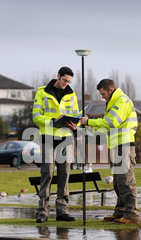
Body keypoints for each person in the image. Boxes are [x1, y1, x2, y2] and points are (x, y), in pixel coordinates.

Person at [80, 79, 140, 224]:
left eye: (103, 94)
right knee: (118, 182)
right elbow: (108, 127)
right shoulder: (113, 102)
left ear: (110, 90)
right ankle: (120, 212)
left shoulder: (121, 101)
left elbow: (111, 122)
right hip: (117, 145)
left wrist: (89, 122)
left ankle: (132, 214)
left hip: (125, 145)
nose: (102, 97)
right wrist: (91, 128)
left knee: (126, 181)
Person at [32, 67, 80, 223]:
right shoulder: (42, 93)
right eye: (64, 80)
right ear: (58, 76)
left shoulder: (72, 95)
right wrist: (52, 121)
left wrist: (75, 125)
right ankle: (43, 211)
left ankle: (62, 211)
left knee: (64, 175)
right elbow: (36, 116)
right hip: (48, 137)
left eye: (69, 81)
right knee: (47, 173)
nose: (66, 83)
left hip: (66, 138)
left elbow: (76, 115)